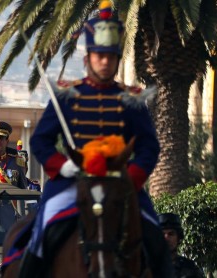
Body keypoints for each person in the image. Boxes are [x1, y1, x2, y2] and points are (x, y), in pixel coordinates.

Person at [21, 2, 171, 277]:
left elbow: (149, 146)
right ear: (89, 57)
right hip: (73, 181)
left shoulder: (132, 100)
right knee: (41, 232)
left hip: (121, 184)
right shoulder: (67, 96)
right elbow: (41, 141)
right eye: (100, 56)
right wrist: (61, 165)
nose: (105, 62)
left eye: (111, 56)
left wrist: (133, 177)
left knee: (155, 235)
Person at [158, 213, 204, 278]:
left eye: (171, 234)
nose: (166, 238)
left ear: (178, 238)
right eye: (162, 234)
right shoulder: (150, 268)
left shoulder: (191, 268)